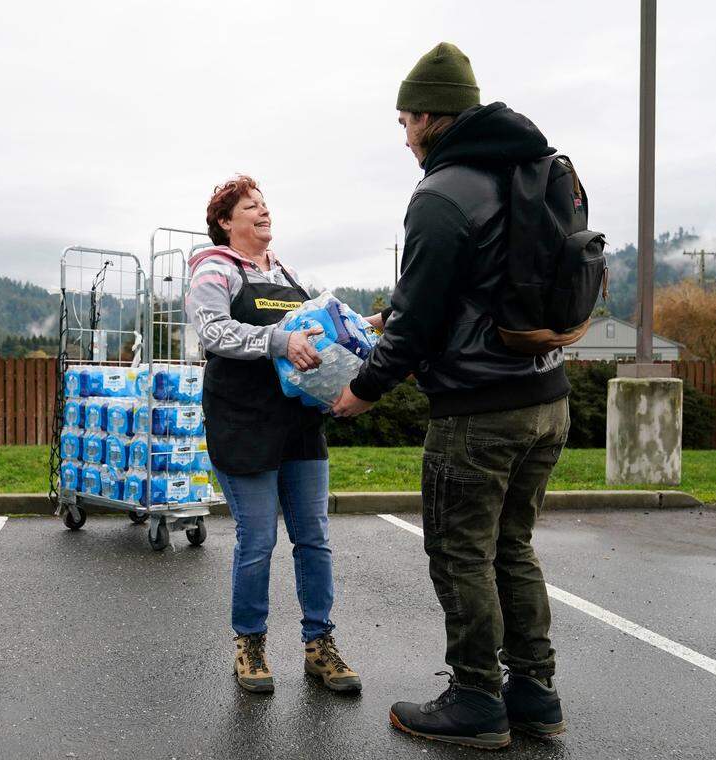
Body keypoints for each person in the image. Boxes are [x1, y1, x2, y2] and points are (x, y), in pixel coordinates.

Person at [332, 43, 570, 748]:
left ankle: (475, 700)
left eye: (405, 120)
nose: (403, 134)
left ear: (432, 117)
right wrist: (394, 311)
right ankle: (534, 692)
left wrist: (363, 390)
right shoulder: (528, 167)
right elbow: (478, 280)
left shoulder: (440, 192)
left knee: (462, 554)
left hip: (478, 410)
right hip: (545, 397)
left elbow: (423, 323)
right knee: (513, 547)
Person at [186, 175, 361, 696]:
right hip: (242, 423)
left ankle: (319, 645)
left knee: (314, 538)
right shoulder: (214, 268)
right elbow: (213, 331)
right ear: (225, 221)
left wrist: (362, 331)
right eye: (250, 206)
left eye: (265, 204)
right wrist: (280, 340)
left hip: (300, 424)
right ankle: (250, 645)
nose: (264, 212)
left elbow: (315, 331)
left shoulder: (285, 271)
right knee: (258, 540)